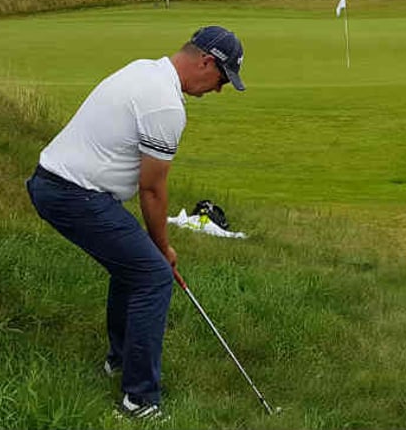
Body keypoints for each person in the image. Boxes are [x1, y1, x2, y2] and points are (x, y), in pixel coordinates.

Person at [26, 26, 245, 420]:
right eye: (222, 79)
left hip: (56, 183)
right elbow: (152, 190)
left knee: (133, 268)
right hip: (71, 193)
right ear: (206, 62)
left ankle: (120, 360)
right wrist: (164, 250)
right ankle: (139, 400)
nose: (218, 90)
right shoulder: (166, 105)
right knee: (154, 276)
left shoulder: (145, 69)